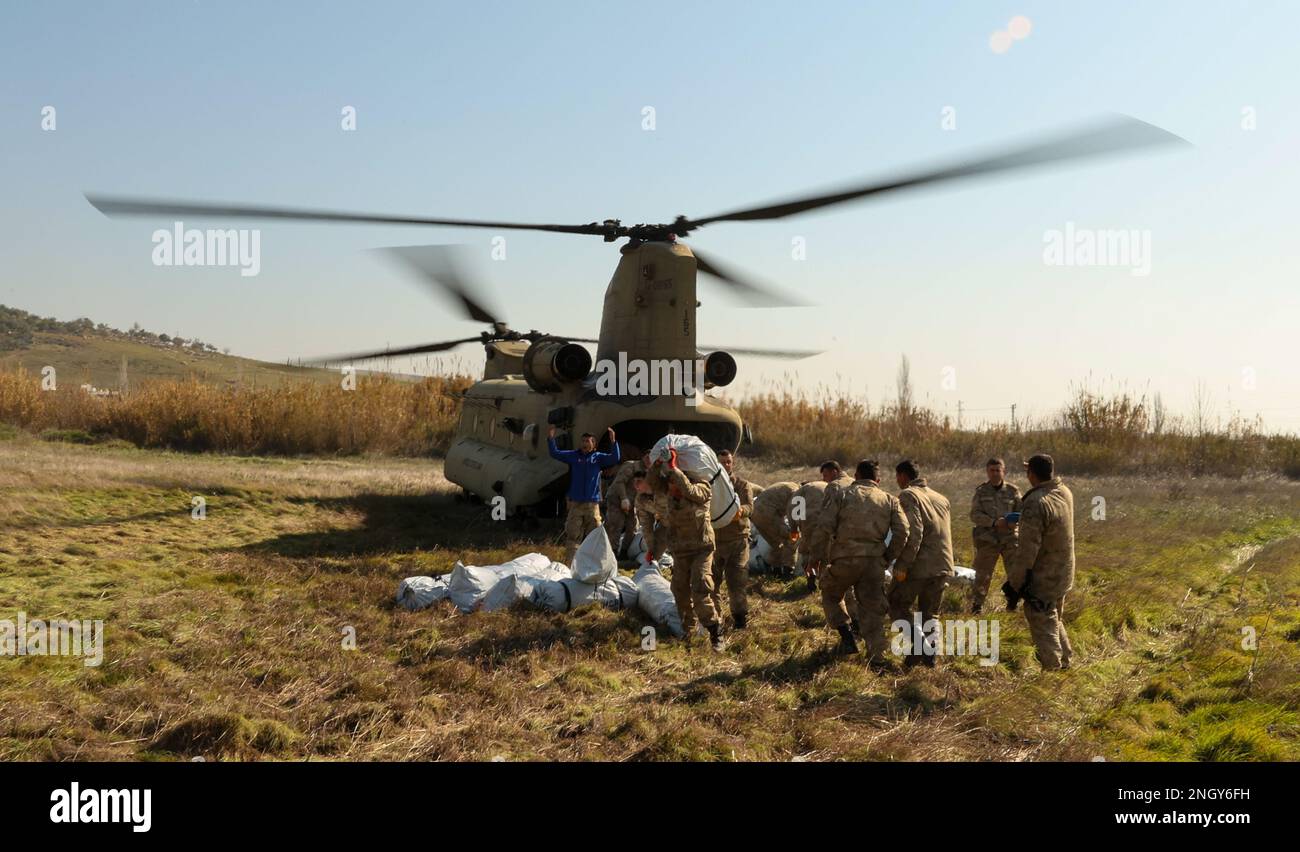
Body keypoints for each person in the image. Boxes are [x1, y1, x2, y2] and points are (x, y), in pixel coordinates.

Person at [811, 459, 909, 667]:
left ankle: (846, 636)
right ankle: (877, 658)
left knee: (830, 593)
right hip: (874, 564)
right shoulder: (890, 500)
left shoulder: (841, 494)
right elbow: (903, 531)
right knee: (873, 609)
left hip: (844, 559)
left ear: (855, 477)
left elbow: (823, 527)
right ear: (878, 480)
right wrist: (887, 557)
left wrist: (816, 557)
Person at [1006, 453, 1075, 671]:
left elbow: (1027, 550)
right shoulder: (1064, 491)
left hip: (1044, 577)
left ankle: (1053, 672)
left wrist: (1014, 584)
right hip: (1063, 572)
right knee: (1053, 618)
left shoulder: (1036, 502)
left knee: (1042, 622)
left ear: (1031, 474)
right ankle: (1065, 662)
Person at [651, 447, 724, 651]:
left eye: (675, 482)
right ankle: (689, 632)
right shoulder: (668, 491)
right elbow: (653, 483)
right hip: (681, 551)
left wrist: (674, 469)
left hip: (702, 548)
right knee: (679, 591)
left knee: (700, 587)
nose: (672, 487)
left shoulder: (702, 487)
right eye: (671, 483)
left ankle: (715, 630)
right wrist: (658, 466)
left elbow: (691, 491)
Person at [887, 460, 954, 668]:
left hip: (919, 565)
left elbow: (914, 532)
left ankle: (920, 646)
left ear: (903, 476)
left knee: (896, 604)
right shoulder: (941, 498)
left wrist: (903, 564)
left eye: (897, 477)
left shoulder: (908, 495)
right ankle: (929, 658)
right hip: (943, 564)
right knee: (930, 612)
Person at [547, 425, 621, 565]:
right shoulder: (574, 456)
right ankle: (571, 566)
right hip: (576, 504)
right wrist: (551, 438)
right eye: (583, 441)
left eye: (588, 441)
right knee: (573, 536)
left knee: (595, 536)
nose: (585, 444)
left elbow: (615, 458)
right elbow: (555, 453)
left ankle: (594, 566)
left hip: (592, 504)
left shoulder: (598, 458)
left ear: (594, 444)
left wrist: (613, 442)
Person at [969, 457, 1022, 614]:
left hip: (1010, 539)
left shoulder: (1013, 491)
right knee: (982, 574)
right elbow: (974, 515)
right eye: (991, 470)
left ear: (1004, 472)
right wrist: (993, 522)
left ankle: (1013, 604)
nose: (995, 474)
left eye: (998, 470)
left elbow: (1024, 513)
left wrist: (1015, 522)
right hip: (987, 539)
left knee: (1015, 573)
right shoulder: (981, 492)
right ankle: (977, 606)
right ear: (987, 472)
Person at [712, 449, 756, 629]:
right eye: (722, 462)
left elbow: (750, 507)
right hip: (714, 542)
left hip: (737, 540)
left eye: (728, 462)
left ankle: (740, 620)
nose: (726, 465)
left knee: (737, 583)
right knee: (711, 583)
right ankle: (714, 621)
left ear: (733, 463)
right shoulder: (710, 484)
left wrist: (740, 512)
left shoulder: (742, 485)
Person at [805, 460, 855, 597]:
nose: (824, 479)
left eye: (825, 475)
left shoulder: (834, 487)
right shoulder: (855, 482)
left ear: (834, 472)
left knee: (833, 586)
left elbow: (825, 524)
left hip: (839, 541)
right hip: (862, 542)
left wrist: (814, 557)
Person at [751, 481, 799, 577]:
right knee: (792, 539)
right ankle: (788, 571)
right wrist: (796, 532)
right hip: (768, 514)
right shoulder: (798, 493)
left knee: (776, 544)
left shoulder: (787, 485)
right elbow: (796, 517)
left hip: (754, 514)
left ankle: (776, 572)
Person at [603, 454, 641, 561]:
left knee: (632, 527)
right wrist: (624, 498)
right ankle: (612, 554)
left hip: (632, 503)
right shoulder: (631, 466)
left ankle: (624, 552)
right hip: (617, 499)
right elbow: (620, 482)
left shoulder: (651, 471)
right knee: (615, 525)